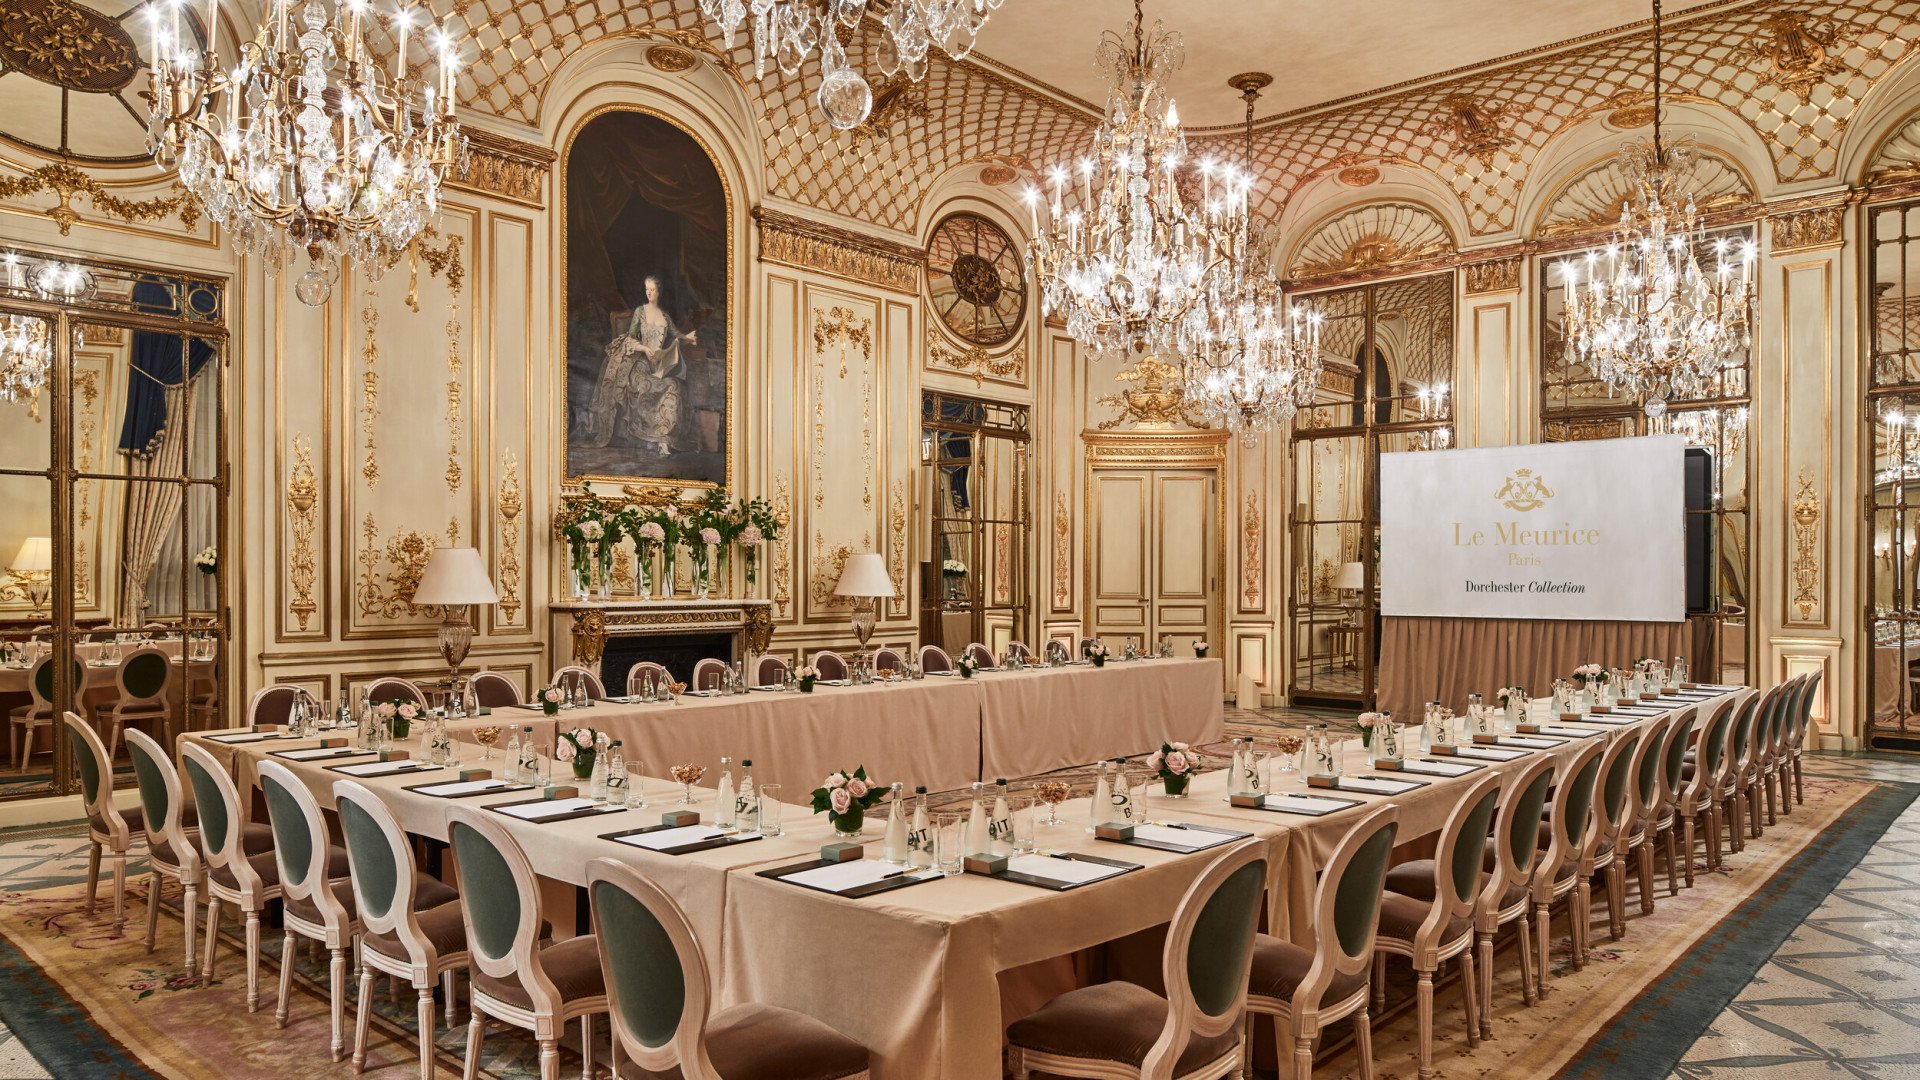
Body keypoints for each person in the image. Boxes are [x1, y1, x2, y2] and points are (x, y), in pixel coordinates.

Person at [578, 275, 697, 453]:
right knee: (647, 385)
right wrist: (643, 348)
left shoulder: (665, 317)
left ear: (659, 292)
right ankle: (659, 441)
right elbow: (630, 337)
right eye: (646, 289)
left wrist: (688, 338)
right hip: (638, 365)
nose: (648, 292)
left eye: (652, 289)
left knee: (674, 386)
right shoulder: (640, 312)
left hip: (656, 367)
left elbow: (676, 334)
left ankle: (664, 440)